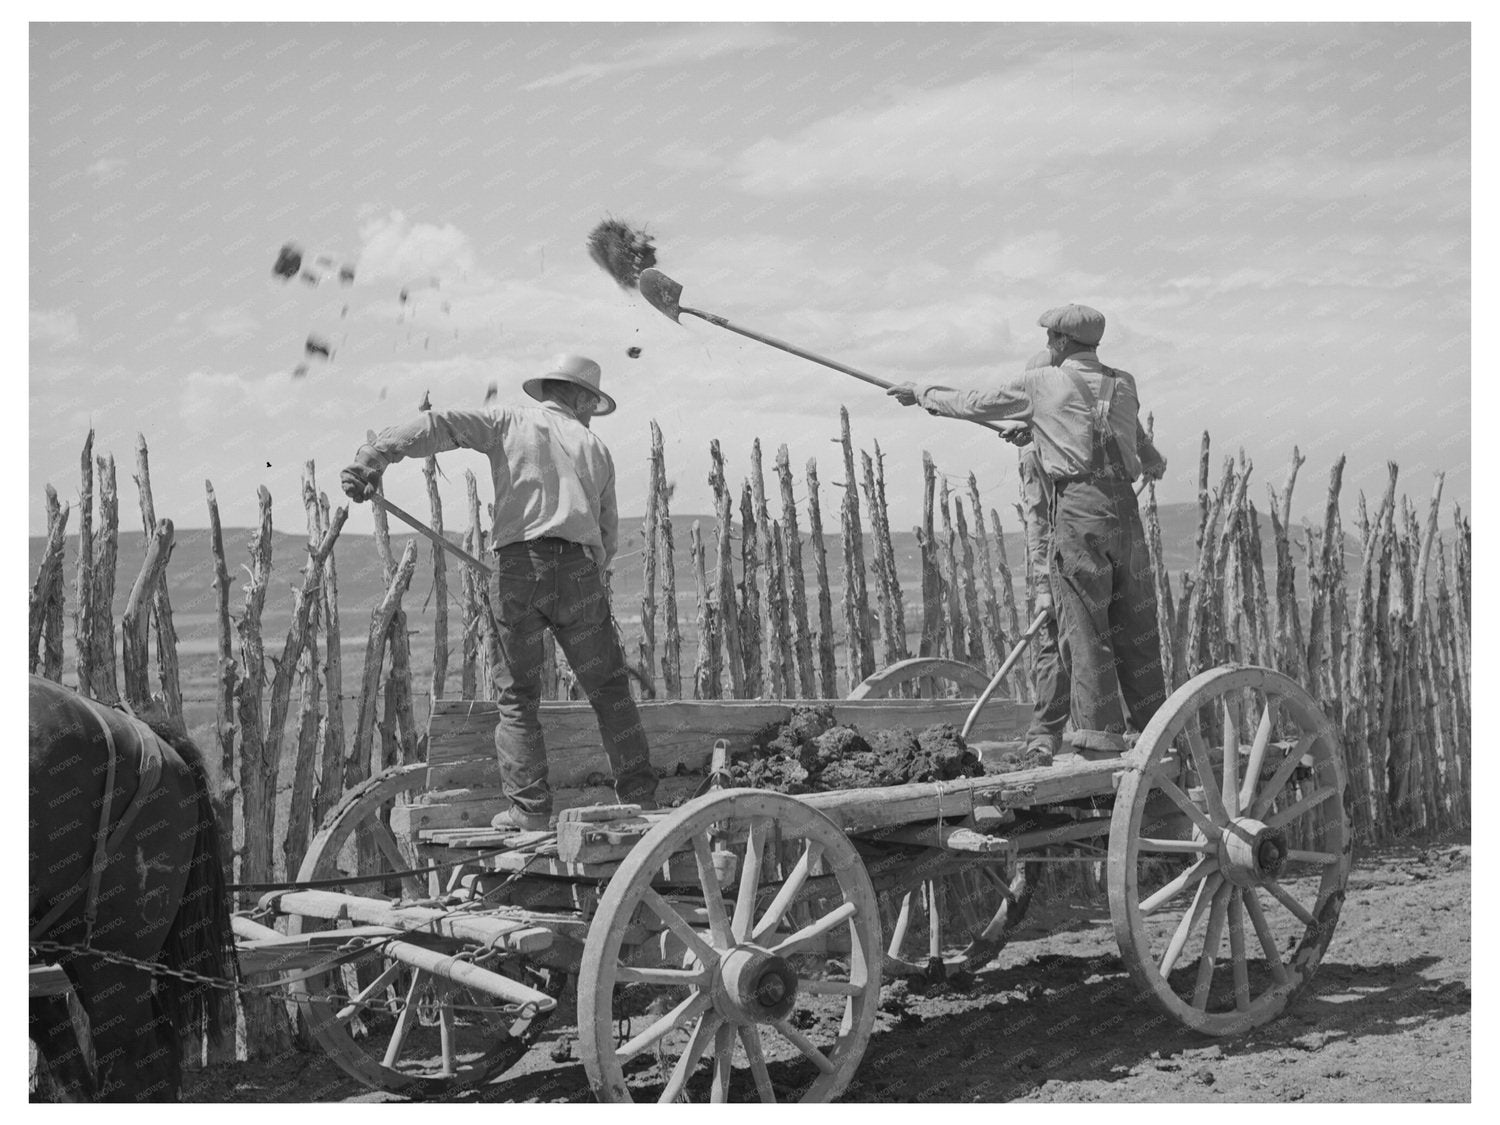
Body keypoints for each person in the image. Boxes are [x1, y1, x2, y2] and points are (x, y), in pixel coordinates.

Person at [341, 354, 658, 829]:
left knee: (518, 698)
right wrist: (576, 573)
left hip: (518, 572)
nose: (593, 409)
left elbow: (440, 424)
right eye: (593, 400)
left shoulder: (508, 422)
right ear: (580, 395)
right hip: (579, 574)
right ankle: (642, 801)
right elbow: (607, 539)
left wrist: (374, 456)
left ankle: (529, 812)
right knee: (610, 690)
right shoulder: (595, 447)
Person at [889, 306, 1167, 756]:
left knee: (1085, 628)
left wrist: (922, 392)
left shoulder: (1042, 382)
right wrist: (1041, 430)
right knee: (1135, 623)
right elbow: (1146, 455)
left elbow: (974, 402)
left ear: (1058, 341)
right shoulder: (1124, 383)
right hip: (1126, 517)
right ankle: (1156, 733)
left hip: (1080, 515)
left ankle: (1099, 740)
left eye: (1049, 339)